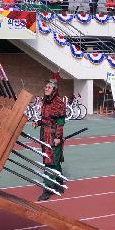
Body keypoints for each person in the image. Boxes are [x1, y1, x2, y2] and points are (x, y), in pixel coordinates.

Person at [36, 73, 67, 201]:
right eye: (46, 87)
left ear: (54, 90)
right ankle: (59, 182)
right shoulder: (45, 101)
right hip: (45, 134)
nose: (46, 89)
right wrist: (38, 123)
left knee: (50, 162)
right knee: (54, 159)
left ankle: (48, 188)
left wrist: (58, 137)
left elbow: (60, 122)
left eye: (49, 87)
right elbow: (46, 118)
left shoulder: (58, 103)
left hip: (53, 135)